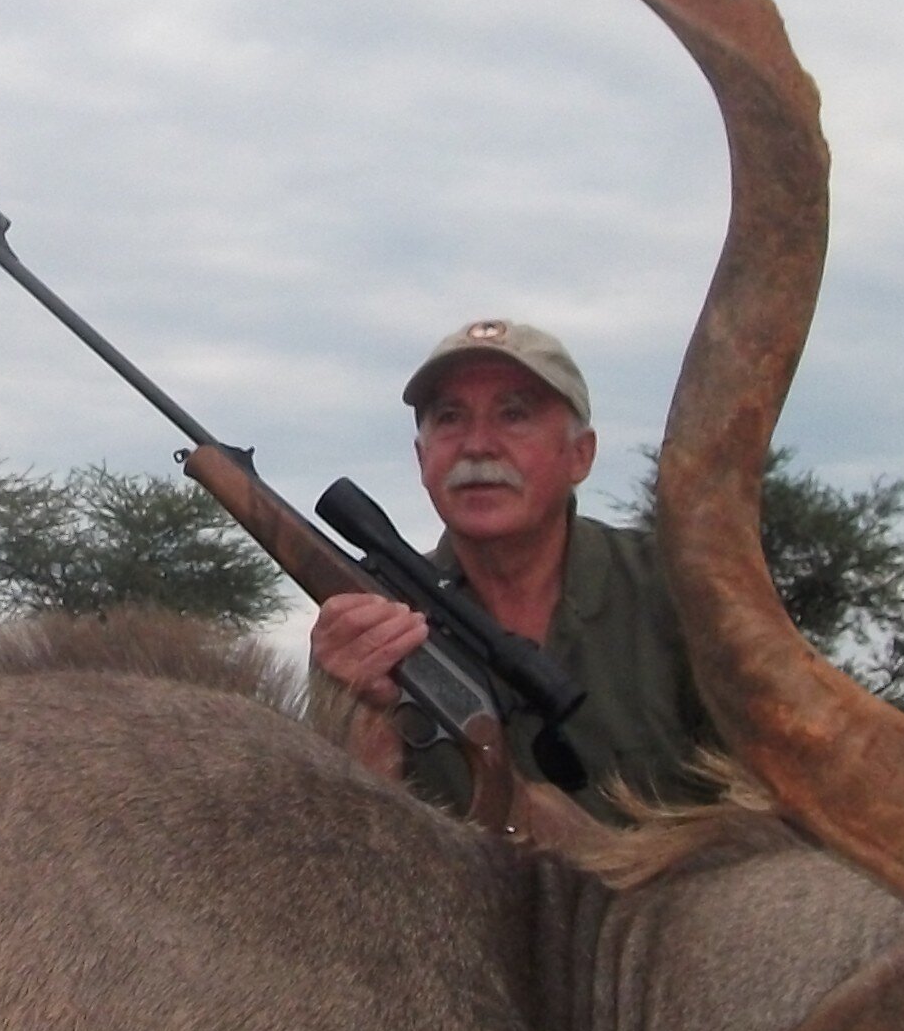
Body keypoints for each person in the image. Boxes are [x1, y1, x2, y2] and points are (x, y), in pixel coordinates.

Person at [306, 317, 716, 823]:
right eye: (450, 418)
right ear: (422, 458)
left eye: (514, 415)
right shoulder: (369, 625)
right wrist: (353, 711)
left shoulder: (683, 589)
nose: (477, 445)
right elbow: (350, 845)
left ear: (581, 455)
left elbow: (781, 813)